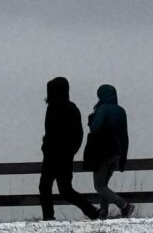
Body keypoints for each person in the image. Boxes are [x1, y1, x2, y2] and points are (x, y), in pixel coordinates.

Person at [39, 77, 100, 220]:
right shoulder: (72, 108)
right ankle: (91, 211)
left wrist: (46, 146)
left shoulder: (53, 108)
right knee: (65, 190)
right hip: (65, 156)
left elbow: (50, 132)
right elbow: (78, 134)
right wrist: (71, 150)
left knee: (45, 186)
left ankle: (48, 217)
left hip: (53, 155)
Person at [86, 84, 134, 219]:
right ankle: (103, 213)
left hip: (102, 153)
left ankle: (125, 206)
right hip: (116, 153)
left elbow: (94, 128)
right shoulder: (121, 111)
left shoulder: (102, 109)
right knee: (104, 185)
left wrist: (91, 120)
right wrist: (123, 158)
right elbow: (125, 136)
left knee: (99, 186)